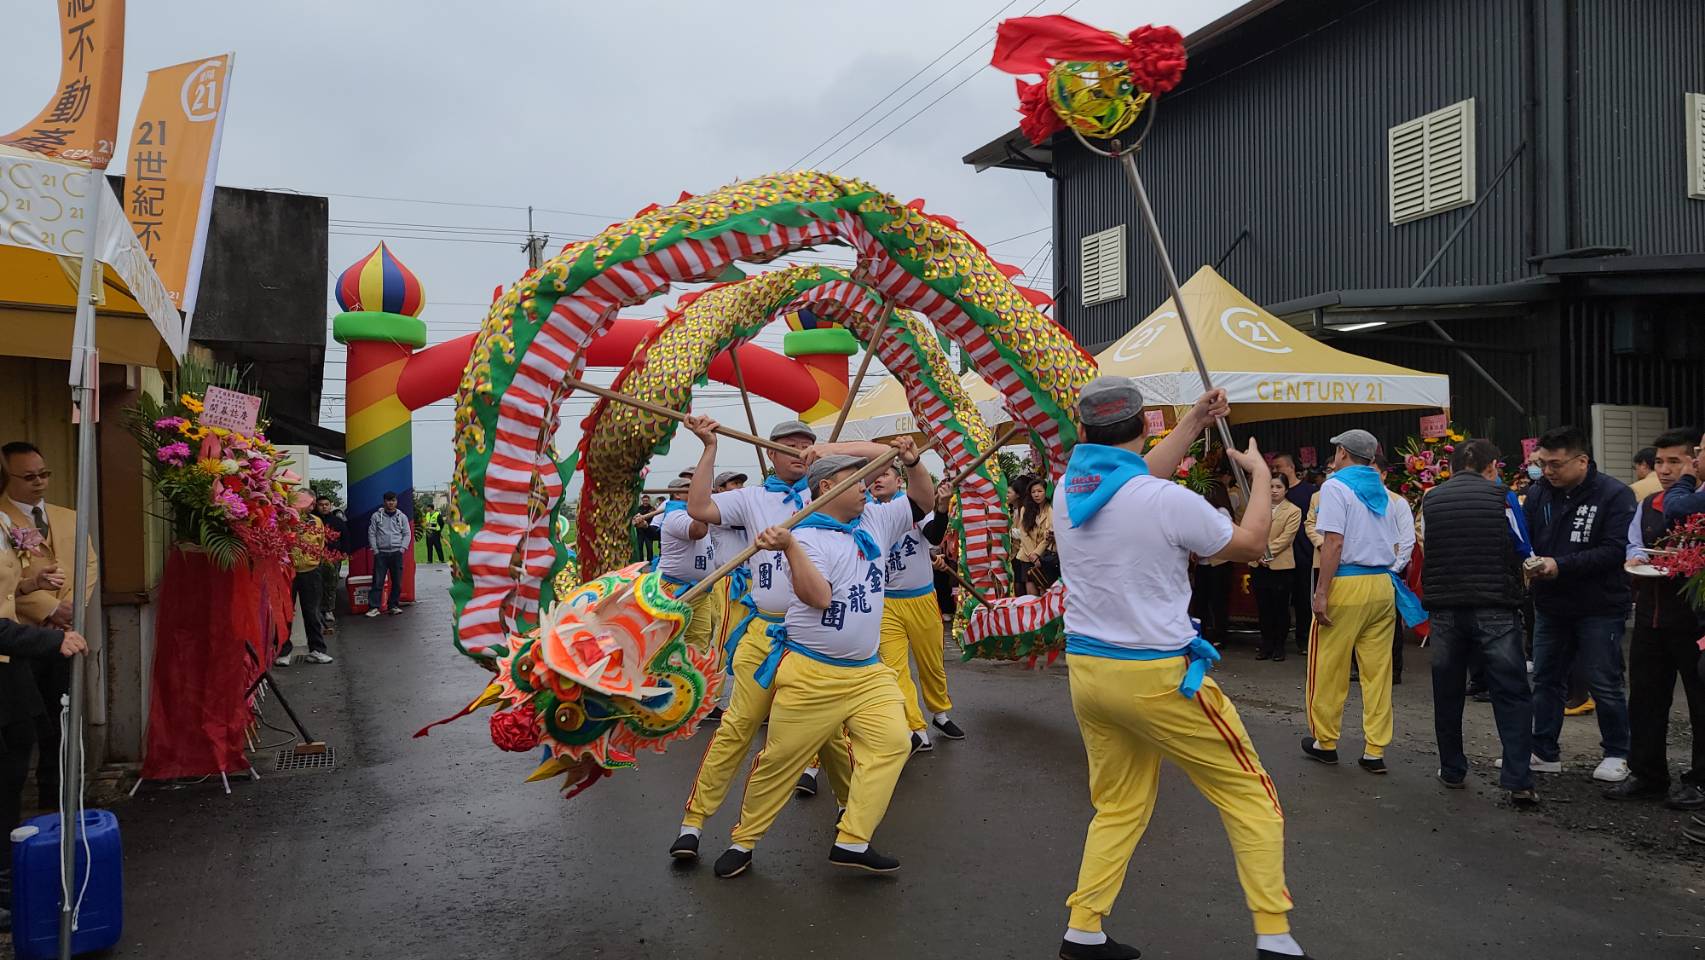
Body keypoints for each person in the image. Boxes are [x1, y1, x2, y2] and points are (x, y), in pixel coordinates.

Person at [1051, 378, 1310, 960]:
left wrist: (1194, 421)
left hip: (1091, 673)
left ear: (1085, 430)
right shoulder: (1164, 499)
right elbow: (1249, 545)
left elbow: (1138, 476)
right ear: (1143, 428)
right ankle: (1275, 935)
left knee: (1117, 806)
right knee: (1251, 795)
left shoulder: (1072, 489)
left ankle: (1084, 927)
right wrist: (1264, 479)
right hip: (1157, 678)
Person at [709, 452, 930, 880]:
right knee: (779, 762)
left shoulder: (875, 522)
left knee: (894, 744)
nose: (868, 485)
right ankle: (744, 840)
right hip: (812, 674)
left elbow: (922, 498)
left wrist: (913, 461)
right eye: (858, 479)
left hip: (868, 672)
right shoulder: (805, 537)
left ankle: (852, 839)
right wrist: (790, 547)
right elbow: (818, 598)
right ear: (827, 487)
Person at [668, 419, 860, 859]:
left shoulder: (834, 496)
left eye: (806, 445)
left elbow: (880, 461)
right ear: (769, 454)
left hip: (814, 637)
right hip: (763, 632)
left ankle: (853, 811)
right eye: (788, 446)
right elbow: (698, 508)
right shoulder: (752, 498)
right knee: (737, 726)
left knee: (828, 734)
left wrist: (829, 451)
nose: (798, 451)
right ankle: (693, 823)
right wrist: (710, 446)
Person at [1420, 440, 1537, 804]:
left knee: (1448, 689)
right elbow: (1523, 548)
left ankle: (1452, 769)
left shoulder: (1431, 500)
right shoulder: (1504, 498)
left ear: (1452, 467)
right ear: (1492, 466)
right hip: (1495, 607)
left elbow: (1427, 545)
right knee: (1511, 690)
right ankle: (1518, 779)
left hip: (1445, 608)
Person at [1522, 425, 1636, 783]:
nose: (1548, 472)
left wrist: (1560, 565)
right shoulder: (1539, 493)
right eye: (1543, 464)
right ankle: (1544, 751)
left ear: (1582, 460)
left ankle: (1618, 752)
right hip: (1551, 604)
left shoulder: (1614, 495)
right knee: (1546, 679)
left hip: (1599, 605)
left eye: (1555, 464)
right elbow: (1526, 536)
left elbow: (1615, 550)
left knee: (1603, 680)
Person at [1303, 428, 1420, 775]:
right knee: (1377, 672)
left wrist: (1321, 591)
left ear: (1343, 454)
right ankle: (1374, 749)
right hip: (1382, 585)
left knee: (1329, 665)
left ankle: (1325, 741)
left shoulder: (1335, 487)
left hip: (1348, 584)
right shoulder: (1385, 493)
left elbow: (1334, 543)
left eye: (1337, 450)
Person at [0, 497, 90, 934]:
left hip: (11, 665)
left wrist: (30, 583)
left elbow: (7, 589)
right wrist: (48, 631)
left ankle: (6, 879)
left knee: (15, 767)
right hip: (19, 645)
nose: (39, 483)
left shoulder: (6, 523)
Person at [1611, 428, 1705, 809]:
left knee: (1700, 704)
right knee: (1646, 699)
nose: (1664, 470)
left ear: (1693, 463)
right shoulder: (1648, 503)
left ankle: (1699, 780)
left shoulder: (1694, 503)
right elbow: (1635, 543)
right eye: (1660, 462)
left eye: (1675, 462)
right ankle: (1647, 773)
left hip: (1694, 621)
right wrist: (1636, 558)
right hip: (1651, 615)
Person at [2, 441, 97, 810]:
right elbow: (6, 585)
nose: (39, 482)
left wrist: (72, 610)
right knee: (28, 730)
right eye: (28, 477)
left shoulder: (68, 515)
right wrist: (48, 609)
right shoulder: (2, 519)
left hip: (66, 633)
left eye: (44, 474)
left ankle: (61, 799)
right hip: (20, 638)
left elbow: (87, 564)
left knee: (65, 721)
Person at [869, 465, 963, 755]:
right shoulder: (866, 513)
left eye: (884, 474)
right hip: (886, 602)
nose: (877, 479)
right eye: (873, 475)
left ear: (900, 481)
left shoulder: (909, 506)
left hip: (922, 598)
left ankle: (940, 713)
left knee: (931, 663)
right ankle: (915, 727)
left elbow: (935, 536)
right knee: (895, 668)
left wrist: (943, 507)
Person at [655, 475, 724, 666]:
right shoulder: (675, 515)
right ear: (677, 494)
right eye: (691, 488)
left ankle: (693, 684)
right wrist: (702, 505)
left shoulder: (698, 512)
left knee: (699, 642)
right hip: (674, 589)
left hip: (701, 591)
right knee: (666, 640)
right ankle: (664, 684)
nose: (699, 491)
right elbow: (698, 531)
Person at [277, 493, 334, 665]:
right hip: (288, 572)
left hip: (311, 572)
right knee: (286, 613)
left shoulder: (316, 521)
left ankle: (316, 650)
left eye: (313, 503)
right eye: (309, 502)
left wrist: (314, 561)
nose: (312, 506)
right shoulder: (285, 519)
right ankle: (283, 652)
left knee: (312, 612)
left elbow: (321, 543)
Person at [1252, 474, 1302, 662]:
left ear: (1286, 490)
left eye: (1278, 487)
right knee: (1263, 608)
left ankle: (1279, 646)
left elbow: (1286, 538)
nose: (1274, 490)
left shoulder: (1293, 510)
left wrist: (1266, 553)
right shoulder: (1257, 508)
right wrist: (1257, 554)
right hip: (1258, 563)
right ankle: (1266, 644)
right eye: (1271, 486)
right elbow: (1250, 530)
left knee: (1280, 608)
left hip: (1280, 565)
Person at [1273, 453, 1319, 655]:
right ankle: (1277, 641)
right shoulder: (1272, 494)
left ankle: (1304, 639)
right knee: (1280, 601)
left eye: (1279, 466)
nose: (1275, 471)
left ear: (1290, 467)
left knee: (1303, 599)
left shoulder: (1309, 491)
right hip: (1279, 558)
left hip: (1303, 553)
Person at [1193, 481, 1237, 647]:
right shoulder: (1200, 512)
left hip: (1219, 563)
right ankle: (1202, 633)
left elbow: (1224, 537)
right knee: (1201, 602)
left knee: (1219, 601)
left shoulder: (1221, 512)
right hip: (1203, 563)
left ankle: (1220, 635)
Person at [366, 491, 411, 617]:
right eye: (388, 500)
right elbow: (372, 533)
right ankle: (374, 607)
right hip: (381, 553)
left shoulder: (402, 517)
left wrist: (402, 548)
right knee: (378, 581)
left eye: (393, 500)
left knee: (397, 582)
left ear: (396, 501)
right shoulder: (376, 516)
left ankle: (393, 605)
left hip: (397, 553)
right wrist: (375, 549)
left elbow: (407, 533)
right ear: (384, 501)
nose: (391, 503)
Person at [1013, 477, 1055, 596]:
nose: (1036, 494)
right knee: (1031, 594)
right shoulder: (1025, 510)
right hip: (1027, 556)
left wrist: (1037, 554)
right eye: (1033, 492)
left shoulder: (1050, 509)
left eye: (1039, 491)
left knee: (1044, 590)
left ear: (1045, 492)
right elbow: (1023, 534)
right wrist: (1033, 555)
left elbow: (1050, 533)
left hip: (1044, 556)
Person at [315, 496, 347, 630]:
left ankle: (329, 609)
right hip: (316, 557)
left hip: (334, 556)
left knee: (331, 584)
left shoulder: (337, 521)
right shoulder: (313, 520)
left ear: (330, 505)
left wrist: (344, 552)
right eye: (321, 504)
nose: (324, 507)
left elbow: (346, 537)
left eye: (326, 504)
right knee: (318, 584)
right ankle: (319, 609)